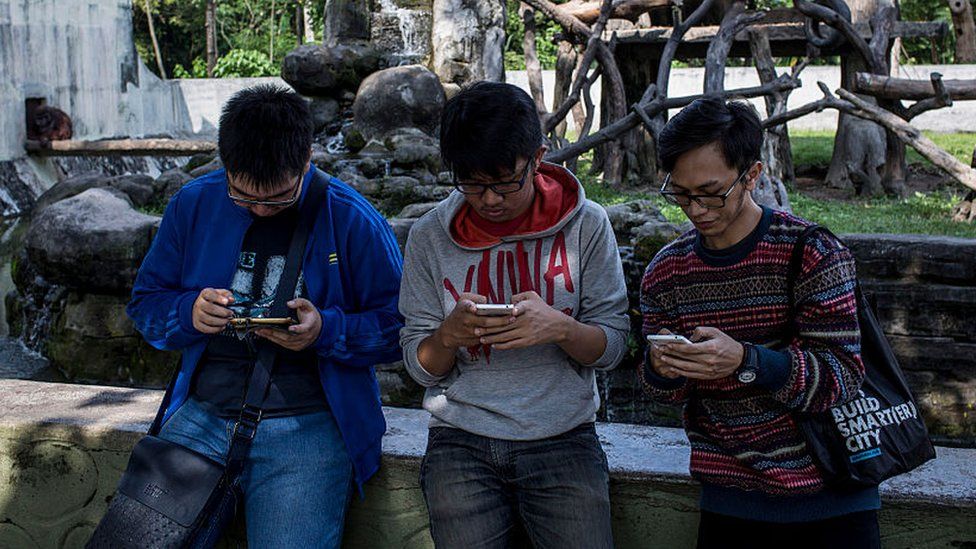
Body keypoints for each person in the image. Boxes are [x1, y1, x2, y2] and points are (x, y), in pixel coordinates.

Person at [127, 84, 403, 547]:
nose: (258, 208)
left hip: (310, 426)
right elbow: (145, 305)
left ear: (307, 159)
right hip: (203, 414)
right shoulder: (194, 204)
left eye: (276, 198)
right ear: (224, 164)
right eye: (242, 196)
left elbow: (401, 329)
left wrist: (326, 330)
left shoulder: (352, 218)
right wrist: (188, 313)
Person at [639, 97, 880, 548]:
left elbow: (842, 378)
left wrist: (746, 360)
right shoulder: (666, 272)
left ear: (752, 175)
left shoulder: (811, 253)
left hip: (834, 497)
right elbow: (661, 394)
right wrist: (664, 368)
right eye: (681, 193)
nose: (695, 209)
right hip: (730, 501)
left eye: (711, 193)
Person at [399, 81, 630, 548]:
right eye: (471, 183)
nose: (488, 199)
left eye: (506, 182)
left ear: (539, 157)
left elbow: (614, 347)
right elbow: (419, 368)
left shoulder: (586, 225)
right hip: (460, 439)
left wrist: (561, 327)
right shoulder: (429, 237)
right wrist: (447, 337)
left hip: (563, 435)